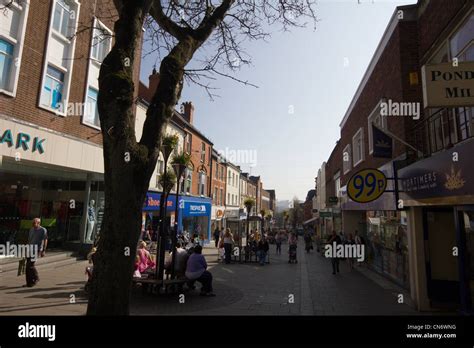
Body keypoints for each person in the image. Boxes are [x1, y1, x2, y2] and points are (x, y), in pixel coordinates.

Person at [24, 218, 48, 287]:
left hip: (37, 250)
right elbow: (29, 240)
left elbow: (45, 240)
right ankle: (29, 283)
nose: (33, 224)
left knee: (30, 265)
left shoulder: (43, 230)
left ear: (39, 223)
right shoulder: (31, 229)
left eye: (35, 222)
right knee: (27, 267)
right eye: (33, 222)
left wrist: (43, 250)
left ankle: (36, 277)